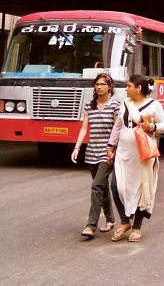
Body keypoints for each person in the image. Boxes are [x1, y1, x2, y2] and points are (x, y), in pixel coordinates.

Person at [106, 74, 164, 242]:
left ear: (138, 88)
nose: (126, 89)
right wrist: (111, 146)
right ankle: (125, 221)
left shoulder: (154, 105)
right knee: (116, 187)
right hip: (123, 154)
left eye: (128, 86)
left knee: (142, 190)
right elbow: (118, 125)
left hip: (143, 156)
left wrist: (152, 126)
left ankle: (137, 227)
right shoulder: (125, 103)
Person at [71, 73, 120, 239]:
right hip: (92, 151)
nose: (99, 87)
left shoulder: (115, 106)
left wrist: (113, 148)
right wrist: (77, 147)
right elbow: (85, 128)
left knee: (96, 186)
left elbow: (117, 129)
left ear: (110, 87)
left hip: (107, 152)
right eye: (97, 84)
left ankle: (91, 225)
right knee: (102, 186)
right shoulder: (89, 105)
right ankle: (111, 219)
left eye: (102, 84)